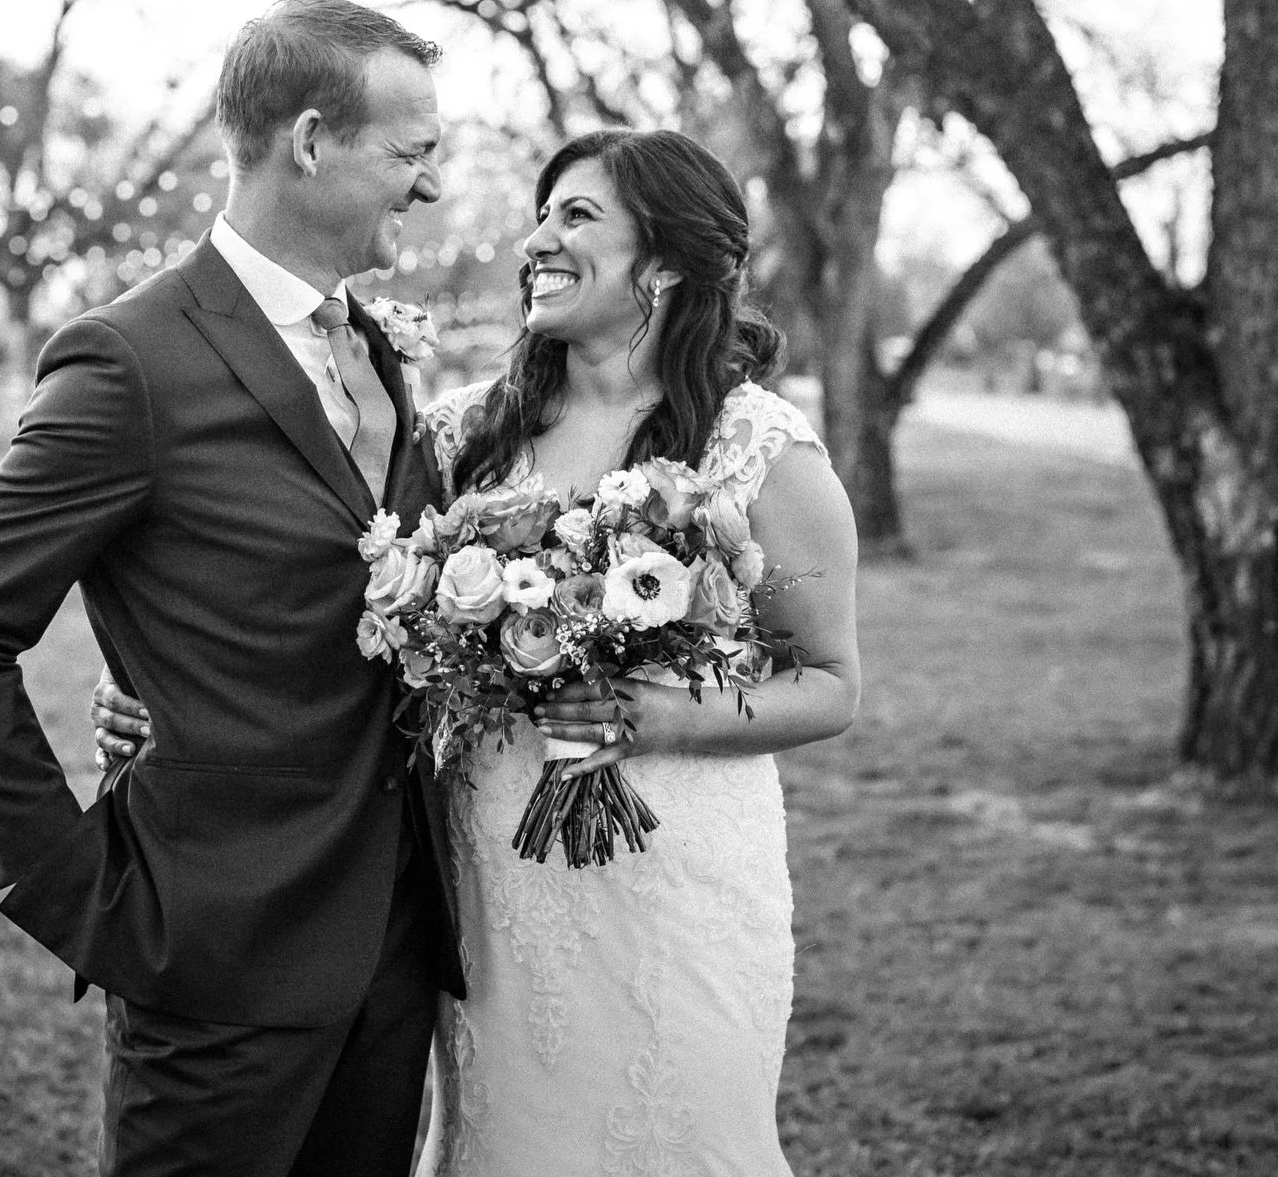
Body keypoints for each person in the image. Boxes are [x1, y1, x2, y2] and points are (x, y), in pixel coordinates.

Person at [97, 125, 860, 1176]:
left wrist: (655, 715)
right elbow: (315, 598)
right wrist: (146, 681)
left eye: (577, 216)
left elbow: (829, 683)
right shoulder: (461, 437)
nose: (538, 238)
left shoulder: (759, 452)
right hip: (491, 876)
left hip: (680, 879)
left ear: (672, 260)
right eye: (542, 213)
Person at [0, 0, 465, 1177]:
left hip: (395, 944)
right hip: (215, 951)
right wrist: (68, 886)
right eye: (410, 155)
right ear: (309, 143)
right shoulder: (130, 362)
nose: (430, 189)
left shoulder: (377, 347)